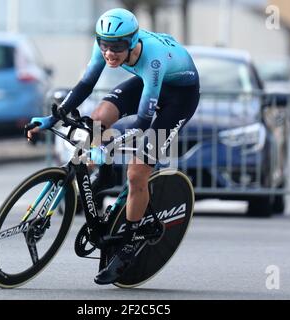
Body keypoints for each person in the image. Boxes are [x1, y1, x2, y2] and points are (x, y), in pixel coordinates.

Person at [27, 8, 200, 285]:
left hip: (179, 97)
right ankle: (104, 172)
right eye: (104, 45)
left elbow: (144, 119)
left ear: (132, 42)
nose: (109, 53)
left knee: (136, 171)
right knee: (97, 119)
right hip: (148, 84)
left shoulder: (152, 58)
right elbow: (85, 85)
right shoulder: (104, 47)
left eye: (117, 47)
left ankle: (129, 243)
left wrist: (116, 143)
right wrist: (51, 118)